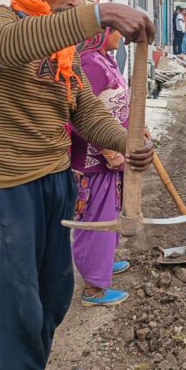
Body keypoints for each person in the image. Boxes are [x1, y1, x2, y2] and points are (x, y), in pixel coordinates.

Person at [0, 0, 155, 370]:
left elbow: (83, 109)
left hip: (55, 181)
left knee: (54, 294)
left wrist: (126, 143)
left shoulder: (61, 51)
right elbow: (3, 51)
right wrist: (98, 12)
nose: (74, 0)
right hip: (8, 187)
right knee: (19, 307)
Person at [70, 28, 132, 307]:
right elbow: (79, 115)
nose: (121, 35)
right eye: (115, 29)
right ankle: (93, 288)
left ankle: (104, 263)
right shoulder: (88, 64)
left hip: (112, 159)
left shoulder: (105, 59)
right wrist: (108, 149)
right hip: (96, 160)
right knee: (96, 219)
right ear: (101, 32)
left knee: (109, 212)